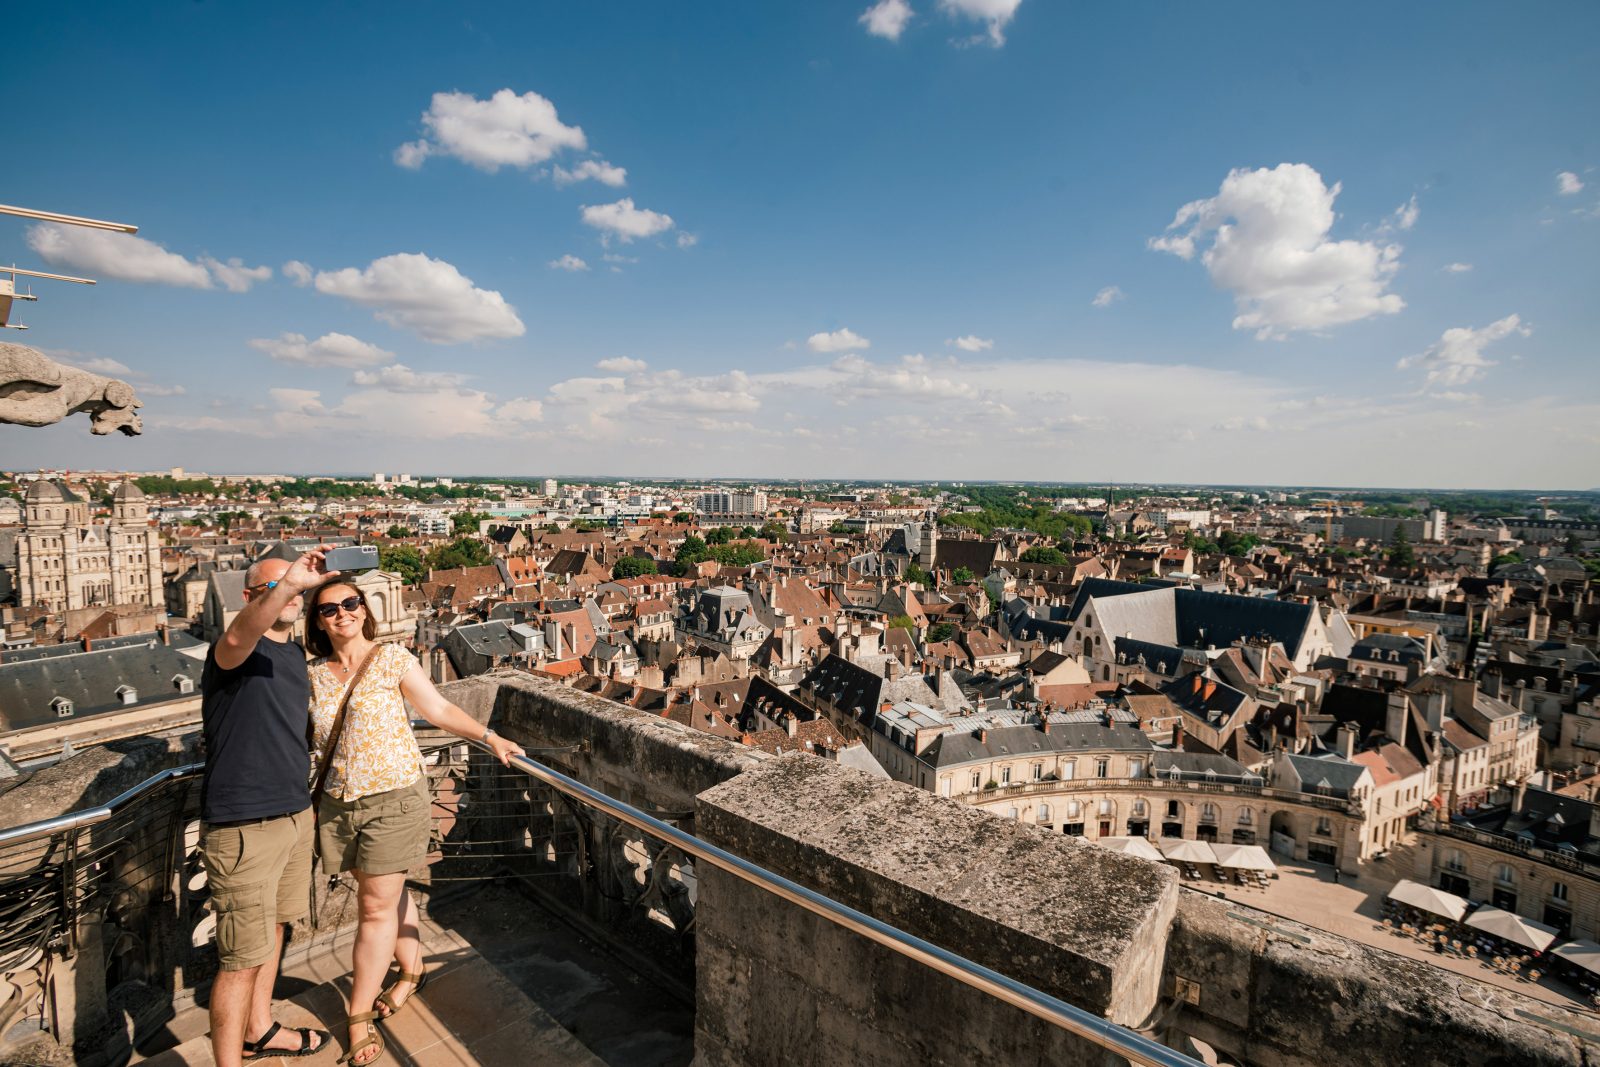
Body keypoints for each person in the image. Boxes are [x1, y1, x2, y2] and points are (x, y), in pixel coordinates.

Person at [304, 580, 523, 1067]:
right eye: (329, 608)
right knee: (390, 893)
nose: (342, 613)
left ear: (365, 609)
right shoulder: (311, 675)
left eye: (350, 603)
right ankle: (411, 970)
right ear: (317, 620)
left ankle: (357, 1014)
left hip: (395, 800)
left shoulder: (393, 659)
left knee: (374, 909)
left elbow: (439, 709)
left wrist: (491, 738)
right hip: (340, 804)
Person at [200, 548, 340, 1066]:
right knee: (239, 959)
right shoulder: (233, 651)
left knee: (276, 930)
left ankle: (259, 1028)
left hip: (294, 816)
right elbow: (239, 635)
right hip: (244, 824)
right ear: (249, 596)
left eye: (297, 588)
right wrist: (290, 582)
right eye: (274, 586)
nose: (291, 592)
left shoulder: (293, 656)